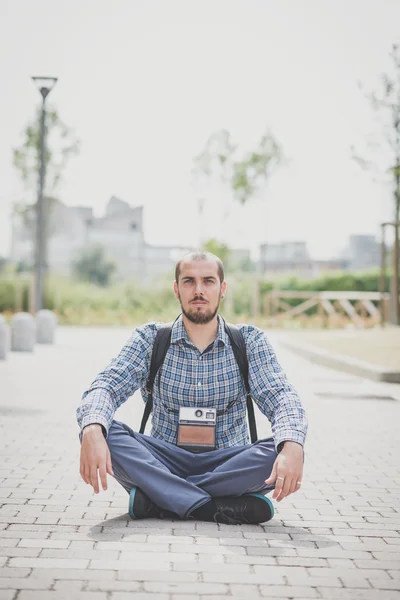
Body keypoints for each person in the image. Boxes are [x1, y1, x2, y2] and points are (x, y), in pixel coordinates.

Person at [77, 251, 308, 525]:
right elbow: (105, 386)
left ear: (222, 289)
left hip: (228, 463)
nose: (198, 290)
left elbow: (281, 396)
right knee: (104, 430)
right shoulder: (150, 339)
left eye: (208, 281)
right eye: (189, 281)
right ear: (177, 290)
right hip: (163, 460)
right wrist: (92, 429)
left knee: (281, 447)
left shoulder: (249, 342)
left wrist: (292, 445)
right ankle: (212, 506)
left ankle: (160, 499)